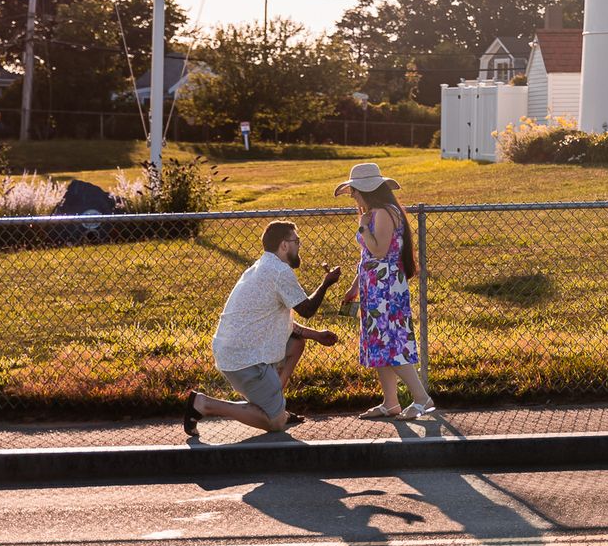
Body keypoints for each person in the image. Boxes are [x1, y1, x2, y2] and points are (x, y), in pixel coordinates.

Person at [184, 220, 343, 435]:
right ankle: (204, 404)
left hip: (238, 350)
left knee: (296, 343)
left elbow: (273, 321)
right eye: (297, 241)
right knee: (276, 423)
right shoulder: (278, 271)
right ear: (284, 245)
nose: (299, 246)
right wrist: (326, 283)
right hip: (244, 358)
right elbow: (307, 309)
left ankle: (274, 402)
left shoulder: (261, 267)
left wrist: (315, 335)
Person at [335, 162, 436, 419]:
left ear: (366, 191)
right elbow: (368, 256)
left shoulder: (381, 213)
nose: (353, 196)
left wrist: (361, 227)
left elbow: (379, 250)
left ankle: (422, 397)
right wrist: (355, 286)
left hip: (386, 288)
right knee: (379, 344)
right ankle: (391, 403)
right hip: (375, 285)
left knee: (390, 342)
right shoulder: (378, 212)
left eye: (354, 191)